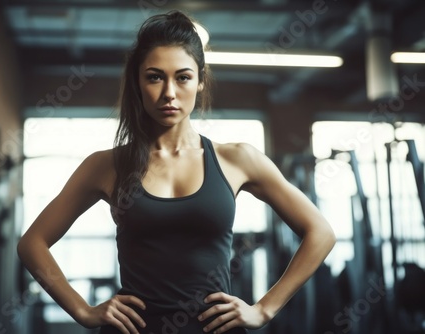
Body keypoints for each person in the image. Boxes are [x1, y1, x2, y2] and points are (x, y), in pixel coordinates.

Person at [17, 10, 336, 334]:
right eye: (155, 77)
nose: (169, 92)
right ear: (138, 83)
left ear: (200, 81)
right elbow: (32, 243)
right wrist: (83, 311)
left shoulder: (237, 159)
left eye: (182, 77)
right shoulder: (106, 165)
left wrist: (264, 309)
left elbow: (320, 233)